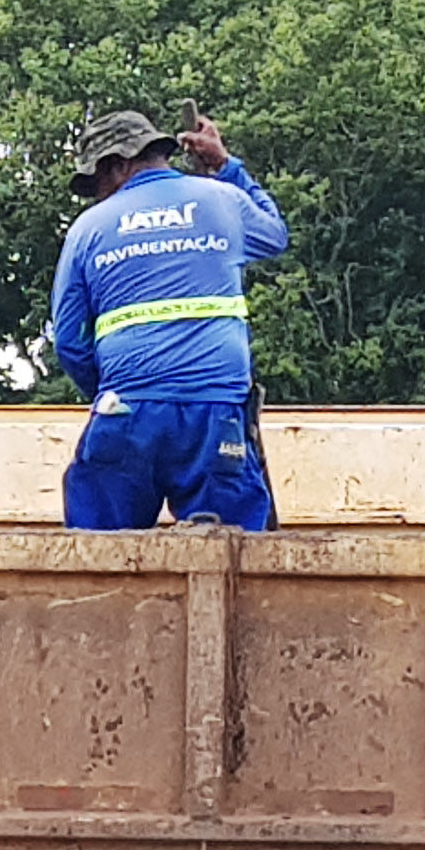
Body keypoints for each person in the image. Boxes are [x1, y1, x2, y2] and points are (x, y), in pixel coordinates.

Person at [49, 107, 289, 532]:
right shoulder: (222, 201)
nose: (98, 195)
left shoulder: (88, 229)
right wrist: (223, 165)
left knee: (97, 554)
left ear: (119, 164)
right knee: (234, 554)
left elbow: (69, 340)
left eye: (97, 181)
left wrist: (116, 392)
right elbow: (273, 234)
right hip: (214, 412)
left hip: (127, 410)